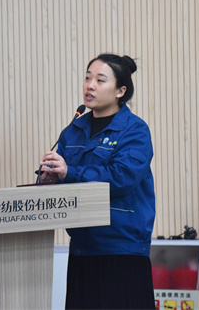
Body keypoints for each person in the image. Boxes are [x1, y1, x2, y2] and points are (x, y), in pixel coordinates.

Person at [39, 53, 156, 310]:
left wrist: (69, 172)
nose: (90, 85)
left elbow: (122, 178)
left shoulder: (135, 130)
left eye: (100, 80)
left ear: (120, 91)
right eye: (87, 78)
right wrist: (51, 179)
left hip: (122, 250)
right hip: (82, 249)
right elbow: (68, 181)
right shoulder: (73, 130)